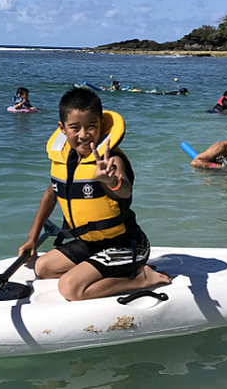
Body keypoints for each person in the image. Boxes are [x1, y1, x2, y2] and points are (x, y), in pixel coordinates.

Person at [17, 87, 170, 301]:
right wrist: (32, 239)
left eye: (91, 126)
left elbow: (125, 190)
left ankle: (142, 278)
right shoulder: (66, 161)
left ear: (101, 124)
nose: (84, 134)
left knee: (70, 288)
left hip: (126, 245)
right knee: (43, 267)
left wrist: (111, 181)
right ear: (62, 128)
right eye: (75, 127)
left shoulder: (111, 161)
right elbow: (51, 196)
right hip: (91, 244)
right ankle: (100, 269)